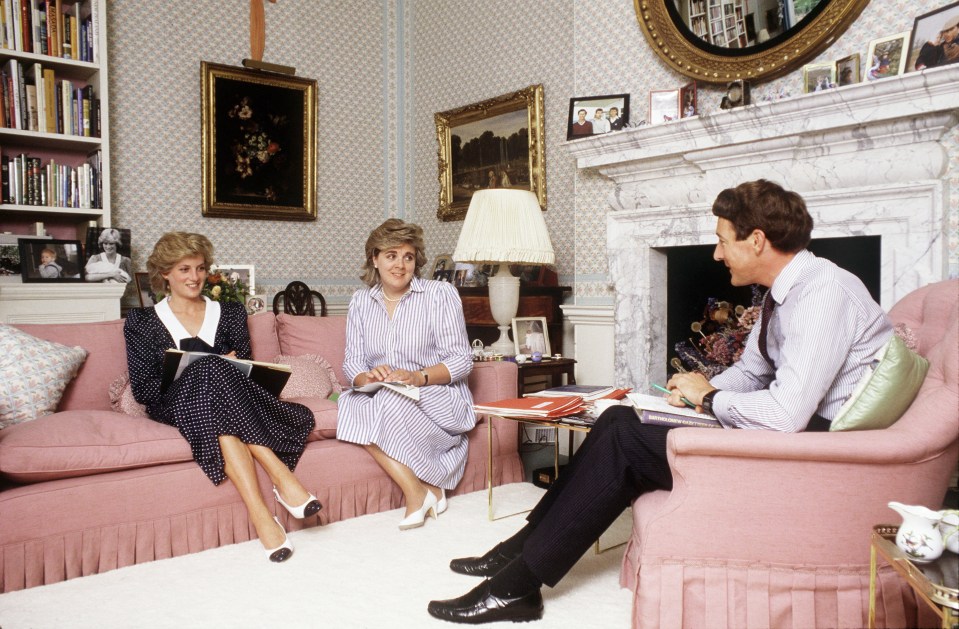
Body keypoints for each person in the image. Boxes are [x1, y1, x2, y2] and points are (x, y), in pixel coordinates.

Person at [427, 180, 892, 624]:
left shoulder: (821, 294)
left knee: (626, 441)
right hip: (790, 435)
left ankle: (518, 587)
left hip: (812, 455)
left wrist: (709, 398)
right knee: (617, 418)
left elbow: (787, 415)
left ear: (755, 240)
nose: (716, 253)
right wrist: (689, 397)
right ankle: (522, 548)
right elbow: (753, 371)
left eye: (722, 240)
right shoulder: (787, 290)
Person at [123, 232, 321, 563]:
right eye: (184, 269)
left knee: (216, 388)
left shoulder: (228, 312)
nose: (194, 277)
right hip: (173, 403)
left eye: (200, 268)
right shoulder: (141, 321)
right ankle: (281, 477)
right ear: (165, 274)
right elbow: (144, 389)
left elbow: (243, 369)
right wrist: (196, 368)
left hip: (223, 402)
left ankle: (260, 516)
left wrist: (216, 366)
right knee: (211, 370)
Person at [338, 219, 475, 530]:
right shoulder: (361, 301)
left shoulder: (440, 294)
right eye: (391, 255)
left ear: (416, 261)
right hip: (385, 391)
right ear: (374, 258)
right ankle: (418, 489)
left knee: (385, 402)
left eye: (408, 257)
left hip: (436, 394)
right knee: (349, 402)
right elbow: (352, 363)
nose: (400, 265)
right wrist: (368, 377)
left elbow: (461, 361)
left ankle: (423, 493)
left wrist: (418, 377)